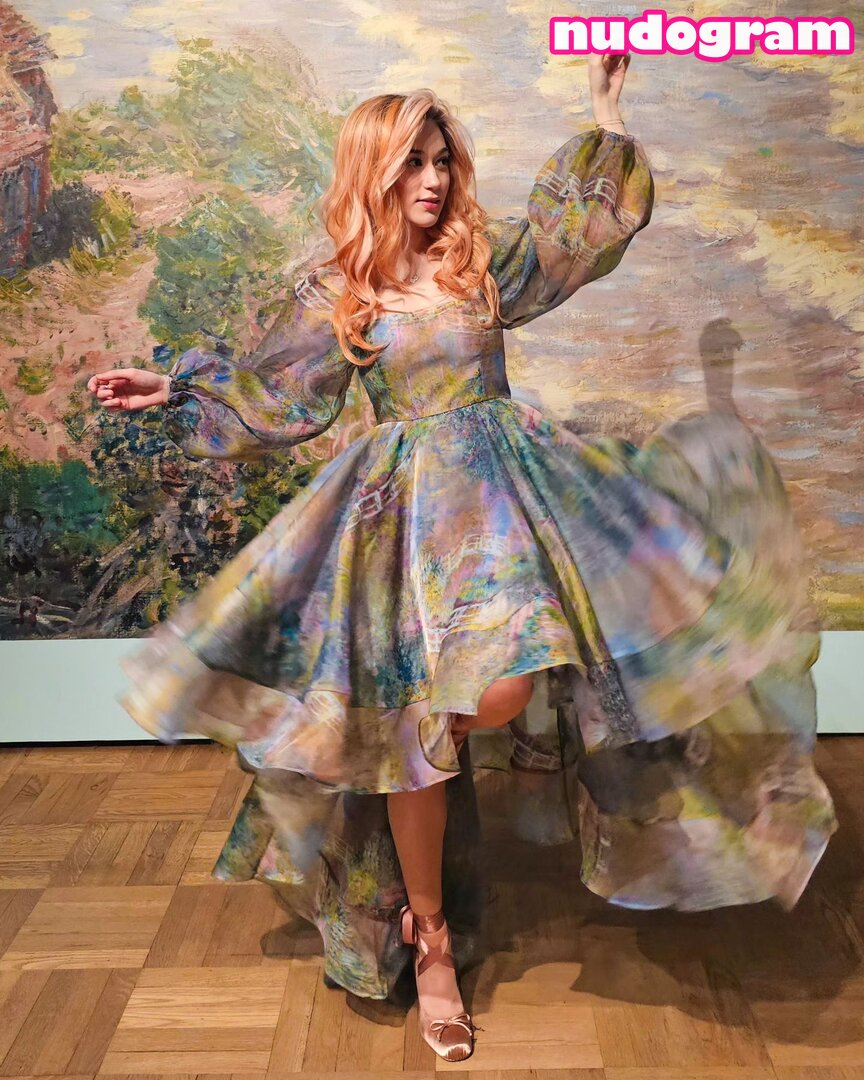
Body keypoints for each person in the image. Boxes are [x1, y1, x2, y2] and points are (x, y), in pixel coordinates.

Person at [88, 55, 838, 1064]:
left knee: (492, 694)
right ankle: (430, 941)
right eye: (412, 164)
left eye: (442, 160)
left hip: (504, 508)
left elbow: (577, 240)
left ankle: (469, 751)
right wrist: (175, 388)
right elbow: (281, 400)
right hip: (401, 527)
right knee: (417, 734)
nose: (434, 180)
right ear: (373, 172)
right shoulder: (340, 293)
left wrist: (606, 114)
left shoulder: (480, 263)